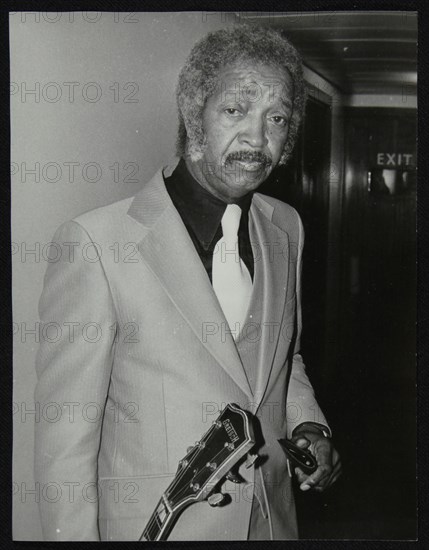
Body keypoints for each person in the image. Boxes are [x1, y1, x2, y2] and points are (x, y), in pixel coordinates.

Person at [34, 24, 341, 541]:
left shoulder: (285, 226)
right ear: (193, 114)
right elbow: (64, 447)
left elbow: (280, 358)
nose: (257, 138)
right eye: (235, 110)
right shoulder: (96, 244)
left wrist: (310, 425)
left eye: (278, 117)